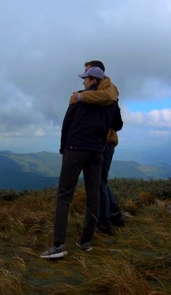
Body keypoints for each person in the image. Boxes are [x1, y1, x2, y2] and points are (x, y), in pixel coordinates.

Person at [40, 66, 119, 259]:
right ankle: (85, 241)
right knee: (94, 197)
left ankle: (58, 245)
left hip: (75, 150)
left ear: (93, 80)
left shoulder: (78, 98)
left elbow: (66, 125)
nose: (83, 82)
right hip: (96, 152)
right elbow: (117, 125)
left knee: (64, 196)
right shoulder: (111, 102)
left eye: (85, 79)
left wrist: (62, 149)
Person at [70, 61, 126, 235]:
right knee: (101, 181)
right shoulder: (98, 89)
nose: (84, 76)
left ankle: (104, 222)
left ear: (97, 74)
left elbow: (109, 98)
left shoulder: (109, 87)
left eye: (87, 72)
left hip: (105, 141)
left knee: (99, 182)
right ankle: (115, 214)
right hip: (99, 142)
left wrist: (79, 96)